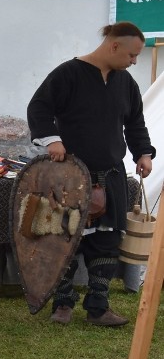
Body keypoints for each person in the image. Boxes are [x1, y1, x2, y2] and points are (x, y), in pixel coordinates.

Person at [27, 21, 155, 327]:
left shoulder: (126, 83)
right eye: (132, 54)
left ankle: (98, 307)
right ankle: (63, 304)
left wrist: (144, 153)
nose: (135, 61)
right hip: (69, 176)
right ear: (114, 46)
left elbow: (135, 122)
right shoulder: (67, 74)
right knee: (64, 239)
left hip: (110, 175)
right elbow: (39, 108)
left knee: (107, 242)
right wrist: (52, 139)